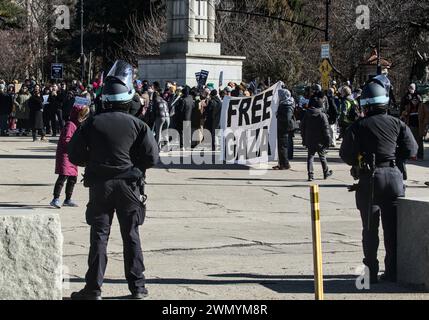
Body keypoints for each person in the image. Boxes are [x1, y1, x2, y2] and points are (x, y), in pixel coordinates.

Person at [68, 60, 159, 300]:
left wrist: (94, 161)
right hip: (129, 185)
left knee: (99, 236)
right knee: (131, 236)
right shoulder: (139, 125)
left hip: (100, 185)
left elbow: (74, 154)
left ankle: (93, 289)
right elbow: (152, 156)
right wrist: (135, 168)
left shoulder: (92, 123)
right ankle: (138, 287)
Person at [340, 75, 418, 284]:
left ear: (364, 104)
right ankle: (392, 272)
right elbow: (412, 149)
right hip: (393, 178)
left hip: (369, 180)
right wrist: (394, 157)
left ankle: (371, 273)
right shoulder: (397, 123)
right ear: (385, 100)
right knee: (392, 230)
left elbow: (346, 155)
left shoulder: (358, 127)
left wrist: (359, 160)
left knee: (369, 229)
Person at [50, 105, 90, 209]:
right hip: (65, 154)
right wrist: (75, 146)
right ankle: (55, 198)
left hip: (72, 155)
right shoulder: (70, 124)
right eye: (82, 115)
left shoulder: (78, 125)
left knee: (73, 178)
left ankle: (68, 199)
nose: (84, 118)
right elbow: (66, 139)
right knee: (63, 176)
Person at [301, 94, 333, 182]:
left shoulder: (307, 114)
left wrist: (304, 139)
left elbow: (302, 127)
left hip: (309, 139)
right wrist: (328, 141)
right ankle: (325, 172)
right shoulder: (322, 115)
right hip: (320, 140)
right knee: (322, 157)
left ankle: (310, 175)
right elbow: (326, 129)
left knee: (310, 157)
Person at [273, 88, 295, 170]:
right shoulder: (285, 103)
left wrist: (278, 115)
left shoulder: (287, 105)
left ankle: (285, 164)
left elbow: (287, 118)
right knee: (281, 146)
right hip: (283, 127)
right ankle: (281, 163)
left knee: (283, 146)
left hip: (284, 127)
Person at [401, 83, 424, 159]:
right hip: (409, 119)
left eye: (412, 88)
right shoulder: (406, 97)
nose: (411, 89)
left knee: (419, 138)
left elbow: (422, 107)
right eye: (410, 87)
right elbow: (403, 107)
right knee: (410, 137)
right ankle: (412, 155)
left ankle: (419, 155)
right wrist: (403, 113)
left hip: (418, 120)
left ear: (415, 88)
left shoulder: (419, 96)